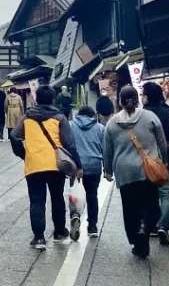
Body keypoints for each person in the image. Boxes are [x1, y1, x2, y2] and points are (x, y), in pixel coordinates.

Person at [10, 85, 81, 249]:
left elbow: (14, 136)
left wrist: (24, 154)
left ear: (37, 99)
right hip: (56, 164)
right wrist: (78, 164)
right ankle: (59, 231)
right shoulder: (59, 117)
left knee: (37, 200)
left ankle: (39, 238)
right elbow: (70, 144)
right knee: (57, 198)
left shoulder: (27, 117)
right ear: (53, 99)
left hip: (34, 164)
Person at [103, 85, 167, 259]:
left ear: (120, 102)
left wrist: (108, 170)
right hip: (147, 172)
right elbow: (162, 142)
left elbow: (107, 150)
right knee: (152, 207)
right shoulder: (150, 117)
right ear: (138, 99)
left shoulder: (112, 123)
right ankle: (145, 228)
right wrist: (164, 161)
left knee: (130, 210)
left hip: (124, 173)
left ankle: (137, 241)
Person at [142, 81, 169, 246]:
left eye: (143, 94)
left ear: (147, 96)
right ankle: (163, 227)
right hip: (166, 159)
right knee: (166, 194)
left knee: (148, 194)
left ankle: (150, 226)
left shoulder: (141, 114)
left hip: (146, 161)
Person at [72, 106, 106, 237]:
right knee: (92, 195)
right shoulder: (100, 128)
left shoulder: (70, 125)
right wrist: (107, 168)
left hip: (76, 165)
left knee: (75, 193)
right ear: (93, 116)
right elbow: (105, 149)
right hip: (94, 165)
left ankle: (75, 215)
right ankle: (92, 227)